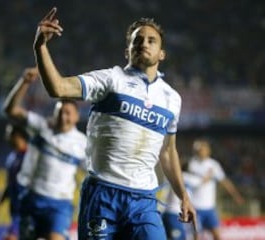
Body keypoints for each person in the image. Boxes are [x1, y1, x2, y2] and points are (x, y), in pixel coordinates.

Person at [33, 7, 197, 239]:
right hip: (102, 194)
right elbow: (57, 87)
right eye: (137, 39)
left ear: (162, 54)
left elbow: (168, 152)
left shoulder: (172, 99)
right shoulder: (111, 79)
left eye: (152, 40)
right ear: (127, 50)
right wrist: (40, 46)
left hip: (144, 200)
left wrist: (184, 196)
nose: (144, 43)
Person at [3, 67, 87, 240]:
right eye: (60, 112)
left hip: (60, 205)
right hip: (32, 198)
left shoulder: (82, 143)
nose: (64, 117)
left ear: (77, 117)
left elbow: (92, 173)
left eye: (68, 113)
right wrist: (24, 83)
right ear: (54, 113)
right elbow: (10, 110)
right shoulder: (41, 127)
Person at [188, 139, 245, 240]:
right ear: (197, 150)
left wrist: (236, 196)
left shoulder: (213, 165)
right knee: (196, 236)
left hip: (210, 208)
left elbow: (224, 181)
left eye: (206, 149)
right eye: (202, 149)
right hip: (196, 207)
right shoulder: (192, 164)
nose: (204, 151)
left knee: (217, 235)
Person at [0, 123, 29, 240]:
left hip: (28, 209)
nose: (7, 137)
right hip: (15, 210)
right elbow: (9, 184)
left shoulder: (32, 156)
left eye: (9, 134)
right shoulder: (11, 158)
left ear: (18, 136)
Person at [162, 163, 213, 240]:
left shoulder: (173, 177)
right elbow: (203, 181)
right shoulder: (190, 178)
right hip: (176, 214)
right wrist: (210, 173)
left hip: (167, 212)